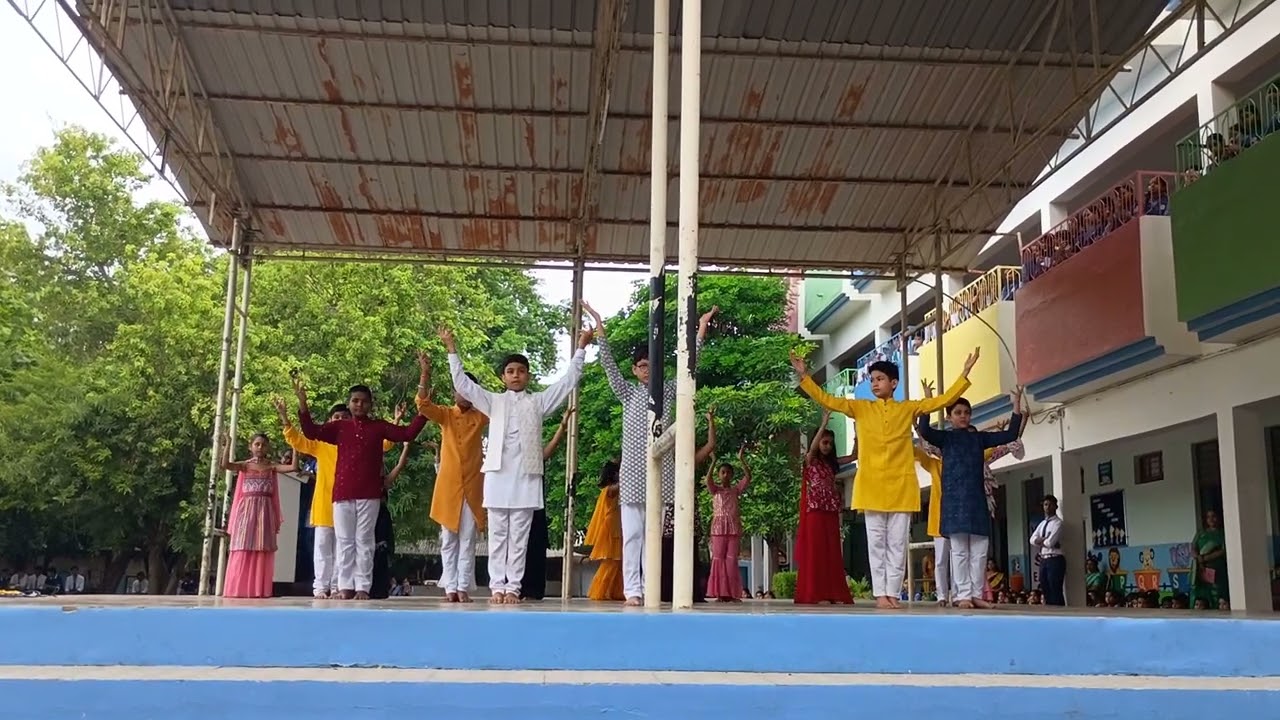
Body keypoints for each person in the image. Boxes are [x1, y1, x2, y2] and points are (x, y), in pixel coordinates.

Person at [790, 347, 980, 609]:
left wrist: (964, 375)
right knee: (877, 544)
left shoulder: (907, 408)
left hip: (902, 486)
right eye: (872, 379)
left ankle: (893, 593)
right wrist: (805, 377)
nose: (875, 383)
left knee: (898, 544)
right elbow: (828, 400)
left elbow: (940, 401)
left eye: (880, 379)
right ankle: (881, 593)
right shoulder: (860, 407)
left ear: (894, 383)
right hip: (871, 486)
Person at [442, 322, 590, 604]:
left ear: (528, 376)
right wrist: (451, 348)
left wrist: (581, 348)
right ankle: (497, 587)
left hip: (526, 476)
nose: (515, 375)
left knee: (519, 536)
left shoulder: (538, 402)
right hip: (497, 475)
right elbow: (462, 384)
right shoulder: (492, 401)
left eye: (521, 371)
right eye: (510, 371)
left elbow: (567, 381)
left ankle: (513, 588)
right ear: (503, 377)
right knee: (498, 535)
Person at [582, 301, 717, 606]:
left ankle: (648, 587)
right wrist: (599, 324)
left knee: (653, 538)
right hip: (632, 477)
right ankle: (633, 590)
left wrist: (701, 329)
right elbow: (608, 365)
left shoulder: (668, 391)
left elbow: (691, 365)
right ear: (635, 370)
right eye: (642, 365)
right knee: (632, 536)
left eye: (651, 365)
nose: (647, 370)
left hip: (662, 476)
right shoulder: (627, 393)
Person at [294, 379, 427, 600]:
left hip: (369, 493)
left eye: (364, 401)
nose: (359, 405)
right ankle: (345, 586)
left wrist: (424, 411)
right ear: (349, 403)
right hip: (342, 492)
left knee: (364, 541)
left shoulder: (379, 427)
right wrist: (303, 404)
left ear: (370, 404)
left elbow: (407, 434)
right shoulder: (340, 427)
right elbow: (311, 431)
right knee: (344, 541)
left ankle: (363, 587)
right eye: (355, 401)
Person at [915, 388, 1023, 609]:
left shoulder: (979, 438)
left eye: (966, 412)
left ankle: (976, 594)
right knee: (960, 552)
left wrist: (1016, 404)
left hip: (976, 501)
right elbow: (924, 430)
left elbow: (1010, 434)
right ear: (949, 417)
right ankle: (963, 595)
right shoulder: (945, 438)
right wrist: (929, 400)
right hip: (953, 503)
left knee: (980, 550)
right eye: (958, 412)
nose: (963, 416)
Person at [278, 398, 396, 599]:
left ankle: (338, 586)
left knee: (346, 546)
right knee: (323, 547)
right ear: (329, 421)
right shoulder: (321, 443)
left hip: (350, 501)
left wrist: (395, 421)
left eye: (344, 417)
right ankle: (320, 587)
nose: (340, 419)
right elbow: (297, 440)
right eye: (336, 417)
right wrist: (285, 418)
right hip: (325, 502)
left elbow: (384, 444)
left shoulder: (358, 440)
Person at [414, 351, 488, 604]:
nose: (464, 395)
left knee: (467, 539)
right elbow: (422, 405)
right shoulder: (445, 414)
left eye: (469, 390)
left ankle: (463, 587)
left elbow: (501, 411)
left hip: (473, 486)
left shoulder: (481, 416)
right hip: (448, 487)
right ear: (454, 392)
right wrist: (425, 374)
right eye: (460, 390)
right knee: (448, 539)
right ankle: (450, 587)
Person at [221, 430, 296, 598]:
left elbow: (293, 467)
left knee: (262, 547)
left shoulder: (271, 466)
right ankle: (237, 589)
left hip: (265, 510)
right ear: (251, 447)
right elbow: (225, 465)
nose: (260, 447)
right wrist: (227, 444)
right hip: (246, 509)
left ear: (267, 447)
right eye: (257, 444)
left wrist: (295, 447)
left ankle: (258, 590)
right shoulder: (245, 465)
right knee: (242, 545)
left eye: (263, 445)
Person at [795, 411, 855, 605]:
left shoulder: (832, 464)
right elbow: (812, 449)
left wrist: (857, 432)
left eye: (830, 443)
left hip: (830, 511)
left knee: (832, 553)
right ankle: (813, 592)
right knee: (815, 552)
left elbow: (855, 456)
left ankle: (831, 592)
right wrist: (823, 425)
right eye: (824, 442)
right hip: (814, 511)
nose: (827, 446)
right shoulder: (810, 460)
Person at [521, 409, 574, 602]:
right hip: (516, 506)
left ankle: (533, 590)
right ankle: (514, 588)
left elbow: (549, 450)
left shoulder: (535, 456)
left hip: (535, 506)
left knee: (535, 546)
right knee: (517, 547)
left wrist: (562, 426)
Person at [704, 446, 752, 602]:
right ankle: (719, 593)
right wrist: (713, 462)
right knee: (718, 559)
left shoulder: (735, 490)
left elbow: (748, 477)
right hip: (718, 529)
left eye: (728, 472)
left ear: (732, 475)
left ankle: (732, 593)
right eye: (723, 472)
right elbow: (707, 480)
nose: (725, 475)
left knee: (732, 560)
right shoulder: (715, 490)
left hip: (733, 528)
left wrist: (741, 459)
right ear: (719, 475)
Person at [370, 442, 411, 600]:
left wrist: (406, 447)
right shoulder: (364, 482)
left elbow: (400, 465)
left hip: (381, 520)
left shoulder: (384, 482)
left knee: (381, 554)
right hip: (368, 518)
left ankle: (380, 588)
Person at [586, 459, 625, 601]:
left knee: (618, 563)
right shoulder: (609, 490)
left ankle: (615, 592)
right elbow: (619, 487)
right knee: (611, 562)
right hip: (611, 530)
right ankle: (598, 592)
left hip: (616, 528)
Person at [1030, 494, 1065, 606]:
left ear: (1056, 506)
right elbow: (1032, 540)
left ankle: (1060, 612)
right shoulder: (1042, 524)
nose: (1047, 507)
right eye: (1045, 505)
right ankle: (1050, 611)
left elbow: (1050, 542)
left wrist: (1040, 541)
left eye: (1050, 505)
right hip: (1044, 559)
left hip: (1055, 559)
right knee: (1045, 588)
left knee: (1055, 589)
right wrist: (1043, 539)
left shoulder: (1058, 523)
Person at [1190, 509, 1228, 609]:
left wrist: (1205, 558)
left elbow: (1223, 550)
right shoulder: (1201, 533)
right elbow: (1193, 548)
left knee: (1216, 594)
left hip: (1216, 568)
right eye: (1208, 517)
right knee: (1200, 594)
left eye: (1213, 516)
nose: (1211, 519)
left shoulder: (1223, 533)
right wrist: (1199, 558)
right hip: (1200, 568)